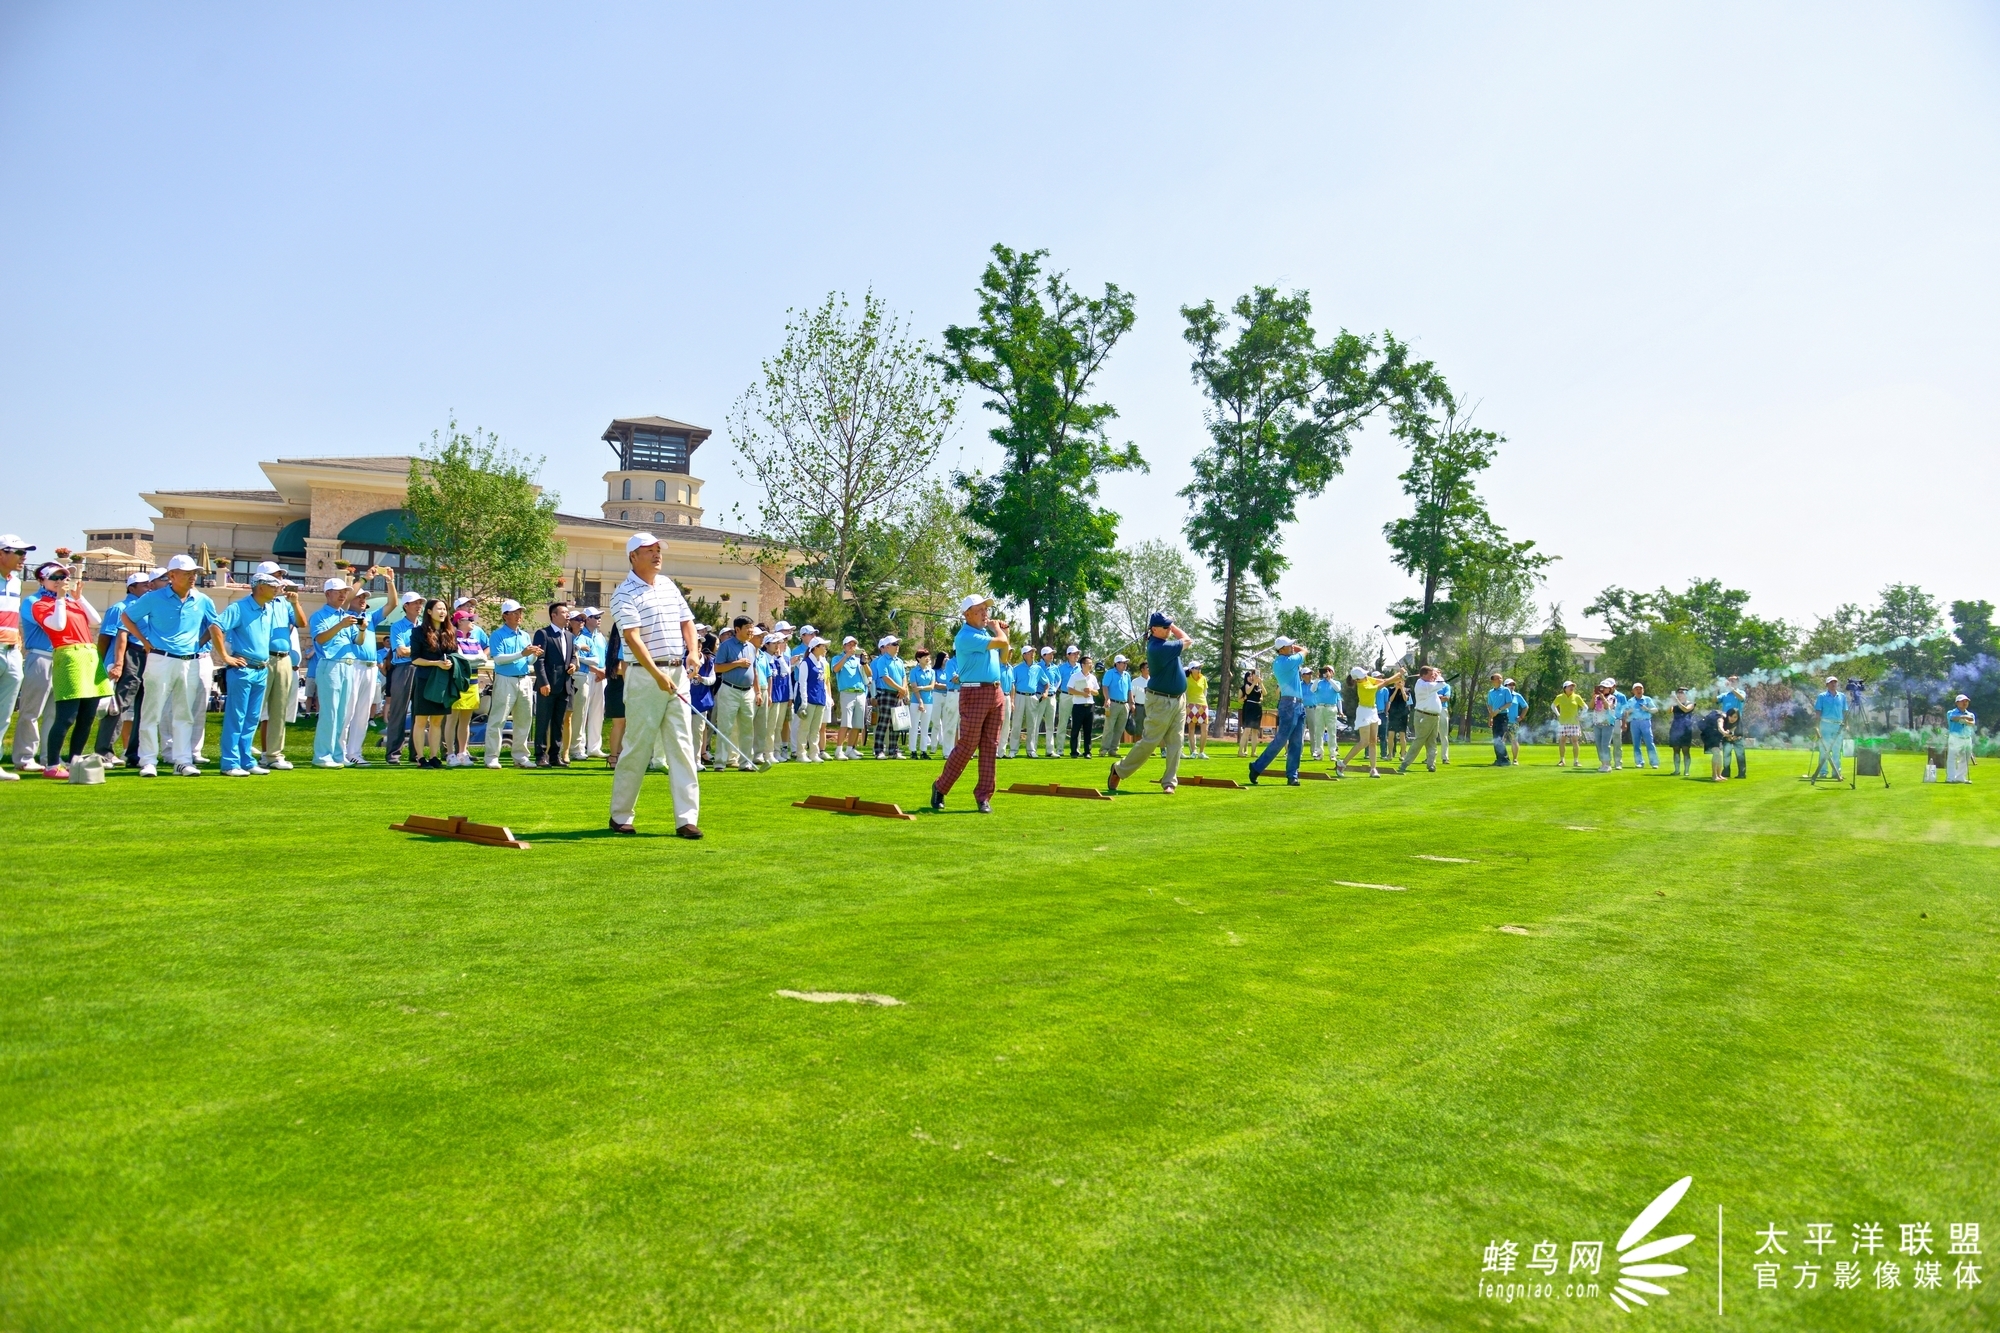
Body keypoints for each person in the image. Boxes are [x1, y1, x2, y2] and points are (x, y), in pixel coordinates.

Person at [608, 532, 703, 838]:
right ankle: (620, 815)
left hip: (677, 674)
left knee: (683, 747)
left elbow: (687, 623)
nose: (657, 554)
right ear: (633, 556)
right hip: (644, 676)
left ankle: (686, 819)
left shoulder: (668, 585)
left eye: (658, 549)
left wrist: (693, 652)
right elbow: (632, 639)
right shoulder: (623, 594)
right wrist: (657, 674)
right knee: (637, 746)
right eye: (648, 550)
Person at [122, 554, 221, 777]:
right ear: (172, 575)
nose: (193, 577)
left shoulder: (203, 600)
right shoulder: (153, 598)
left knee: (184, 713)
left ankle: (182, 761)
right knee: (151, 711)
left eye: (194, 573)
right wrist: (145, 642)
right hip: (160, 658)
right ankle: (148, 760)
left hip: (190, 661)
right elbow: (127, 617)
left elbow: (215, 625)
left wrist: (199, 643)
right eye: (187, 573)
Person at [27, 560, 109, 778]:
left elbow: (95, 620)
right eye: (55, 577)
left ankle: (75, 761)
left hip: (89, 655)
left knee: (87, 715)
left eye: (63, 577)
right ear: (42, 581)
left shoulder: (72, 602)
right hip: (68, 656)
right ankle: (52, 764)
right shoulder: (40, 604)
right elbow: (58, 626)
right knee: (67, 716)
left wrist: (78, 597)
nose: (61, 581)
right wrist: (62, 599)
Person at [929, 594, 1010, 812]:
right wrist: (999, 631)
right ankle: (940, 786)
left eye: (986, 610)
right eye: (980, 610)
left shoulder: (984, 633)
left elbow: (1003, 657)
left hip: (996, 692)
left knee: (990, 747)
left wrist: (1003, 633)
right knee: (967, 745)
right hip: (974, 693)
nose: (986, 614)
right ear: (967, 615)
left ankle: (983, 797)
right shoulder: (965, 636)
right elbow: (1001, 641)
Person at [209, 573, 287, 777]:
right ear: (260, 587)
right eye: (272, 586)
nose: (276, 589)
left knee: (252, 718)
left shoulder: (268, 609)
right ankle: (230, 763)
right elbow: (216, 627)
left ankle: (246, 760)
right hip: (242, 669)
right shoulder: (238, 607)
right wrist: (225, 656)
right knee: (237, 717)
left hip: (262, 669)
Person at [1108, 612, 1192, 794]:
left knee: (1176, 742)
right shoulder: (1157, 648)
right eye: (1165, 626)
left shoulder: (1165, 643)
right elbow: (1188, 640)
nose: (1169, 629)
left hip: (1178, 700)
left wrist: (1169, 625)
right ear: (1154, 629)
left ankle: (1169, 781)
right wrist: (1175, 626)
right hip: (1161, 701)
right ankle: (1119, 769)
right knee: (1150, 742)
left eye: (1169, 625)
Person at [92, 570, 150, 766]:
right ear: (131, 588)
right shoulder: (119, 608)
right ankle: (103, 751)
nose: (148, 587)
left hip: (146, 656)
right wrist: (106, 664)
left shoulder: (147, 606)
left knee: (143, 706)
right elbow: (106, 638)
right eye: (144, 584)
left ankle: (133, 753)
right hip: (126, 657)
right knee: (119, 705)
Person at [484, 599, 540, 767]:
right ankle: (491, 756)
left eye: (519, 612)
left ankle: (521, 756)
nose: (518, 616)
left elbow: (528, 660)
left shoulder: (524, 635)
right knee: (498, 719)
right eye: (515, 613)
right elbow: (499, 659)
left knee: (524, 719)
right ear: (505, 616)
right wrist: (522, 654)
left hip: (524, 679)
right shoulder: (497, 635)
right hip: (505, 680)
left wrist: (535, 654)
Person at [1251, 637, 1312, 784]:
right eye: (1289, 645)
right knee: (1281, 740)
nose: (1292, 647)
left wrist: (1288, 645)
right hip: (1289, 704)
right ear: (1282, 649)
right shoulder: (1285, 662)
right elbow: (1305, 651)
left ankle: (1292, 775)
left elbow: (1299, 651)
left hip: (1298, 704)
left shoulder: (1285, 659)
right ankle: (1257, 767)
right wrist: (1295, 646)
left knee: (1297, 742)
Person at [258, 574, 303, 771]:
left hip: (283, 658)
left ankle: (274, 754)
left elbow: (302, 623)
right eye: (276, 582)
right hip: (262, 659)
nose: (280, 585)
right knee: (255, 709)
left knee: (279, 710)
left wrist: (295, 602)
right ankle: (243, 753)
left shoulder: (285, 604)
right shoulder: (257, 604)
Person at [407, 599, 457, 767]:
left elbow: (454, 655)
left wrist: (450, 662)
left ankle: (434, 756)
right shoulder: (418, 632)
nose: (443, 612)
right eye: (439, 609)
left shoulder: (450, 632)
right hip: (424, 680)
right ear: (429, 611)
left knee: (437, 721)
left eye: (444, 609)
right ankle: (420, 757)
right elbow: (415, 659)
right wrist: (435, 663)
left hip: (442, 681)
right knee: (421, 720)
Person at [531, 601, 576, 767]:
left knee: (559, 722)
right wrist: (543, 682)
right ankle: (540, 756)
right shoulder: (543, 634)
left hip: (565, 685)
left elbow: (571, 656)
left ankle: (554, 756)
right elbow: (539, 660)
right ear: (553, 615)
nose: (567, 615)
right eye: (564, 612)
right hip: (547, 686)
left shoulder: (569, 636)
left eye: (567, 612)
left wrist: (573, 664)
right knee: (543, 721)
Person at [0, 535, 30, 780]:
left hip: (11, 652)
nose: (24, 557)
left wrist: (18, 643)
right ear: (2, 553)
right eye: (18, 552)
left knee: (5, 712)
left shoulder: (16, 582)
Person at [382, 591, 424, 763]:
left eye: (420, 603)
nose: (418, 606)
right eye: (415, 603)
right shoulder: (397, 626)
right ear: (405, 606)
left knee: (419, 714)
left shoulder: (424, 626)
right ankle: (393, 753)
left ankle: (416, 754)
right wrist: (422, 650)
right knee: (399, 711)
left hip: (422, 668)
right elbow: (400, 651)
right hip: (403, 670)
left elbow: (407, 650)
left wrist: (412, 651)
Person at [1341, 665, 1404, 778]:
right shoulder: (1364, 687)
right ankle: (1342, 763)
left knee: (1373, 741)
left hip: (1373, 711)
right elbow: (1384, 684)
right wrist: (1399, 674)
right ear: (1357, 679)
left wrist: (1400, 676)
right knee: (1364, 742)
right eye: (1363, 675)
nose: (1366, 676)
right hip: (1364, 712)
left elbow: (1384, 680)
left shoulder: (1367, 678)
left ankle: (1373, 769)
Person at [444, 609, 488, 767]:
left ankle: (462, 753)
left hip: (473, 684)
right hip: (457, 684)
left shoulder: (475, 639)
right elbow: (461, 660)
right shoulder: (452, 639)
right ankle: (450, 754)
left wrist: (472, 659)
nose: (472, 621)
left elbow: (482, 659)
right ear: (459, 621)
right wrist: (474, 659)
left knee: (465, 721)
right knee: (452, 719)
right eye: (469, 619)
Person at [1396, 662, 1449, 775]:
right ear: (1423, 675)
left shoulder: (1426, 681)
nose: (1432, 676)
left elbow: (1437, 683)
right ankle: (1405, 763)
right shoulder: (1425, 685)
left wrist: (1433, 673)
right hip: (1424, 716)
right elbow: (1442, 684)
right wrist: (1437, 674)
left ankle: (1431, 764)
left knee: (1432, 742)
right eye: (1430, 675)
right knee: (1419, 740)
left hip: (1434, 717)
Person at [870, 635, 911, 759]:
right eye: (894, 644)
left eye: (897, 644)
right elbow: (885, 678)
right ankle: (879, 751)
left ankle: (894, 750)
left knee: (897, 724)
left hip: (898, 695)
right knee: (883, 723)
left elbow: (904, 677)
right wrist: (901, 689)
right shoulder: (882, 660)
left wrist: (903, 690)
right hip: (886, 693)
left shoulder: (899, 661)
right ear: (887, 646)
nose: (897, 647)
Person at [793, 636, 830, 762]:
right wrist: (804, 701)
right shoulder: (806, 662)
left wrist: (826, 698)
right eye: (823, 646)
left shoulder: (821, 663)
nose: (825, 648)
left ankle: (814, 753)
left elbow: (823, 682)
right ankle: (801, 754)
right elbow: (802, 683)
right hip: (809, 699)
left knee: (816, 729)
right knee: (804, 728)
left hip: (820, 699)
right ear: (815, 648)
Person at [832, 635, 869, 761]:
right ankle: (838, 750)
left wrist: (865, 663)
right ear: (844, 646)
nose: (852, 647)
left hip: (860, 693)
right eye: (849, 644)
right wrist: (846, 656)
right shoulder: (838, 658)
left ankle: (850, 749)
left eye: (853, 644)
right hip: (847, 693)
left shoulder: (859, 660)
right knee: (846, 723)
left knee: (857, 724)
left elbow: (869, 674)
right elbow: (836, 669)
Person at [1809, 675, 1846, 781]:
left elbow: (1845, 711)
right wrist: (1816, 725)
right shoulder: (1822, 696)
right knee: (1823, 749)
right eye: (1831, 682)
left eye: (1835, 682)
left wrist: (1847, 724)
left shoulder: (1842, 696)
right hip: (1825, 724)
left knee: (1837, 750)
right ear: (1827, 684)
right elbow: (1818, 711)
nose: (1833, 684)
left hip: (1838, 725)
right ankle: (1823, 772)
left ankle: (1836, 772)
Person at [1010, 647, 1044, 758]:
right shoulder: (1016, 668)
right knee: (1016, 724)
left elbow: (1046, 682)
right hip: (1019, 696)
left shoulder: (1038, 668)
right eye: (1030, 652)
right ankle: (1013, 750)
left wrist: (1045, 692)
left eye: (1033, 652)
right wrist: (1012, 699)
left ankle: (1031, 750)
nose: (1033, 654)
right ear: (1024, 655)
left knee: (1032, 725)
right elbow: (1012, 685)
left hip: (1032, 697)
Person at [1066, 654, 1100, 757]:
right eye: (1089, 663)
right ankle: (1074, 752)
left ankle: (1087, 752)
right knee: (1075, 730)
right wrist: (1081, 693)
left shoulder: (1093, 677)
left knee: (1088, 730)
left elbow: (1096, 692)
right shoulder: (1075, 676)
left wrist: (1091, 690)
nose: (1091, 665)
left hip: (1089, 706)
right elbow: (1070, 690)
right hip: (1078, 706)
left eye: (1091, 663)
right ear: (1083, 665)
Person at [1101, 654, 1131, 759]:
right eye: (1123, 663)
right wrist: (1107, 699)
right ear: (1117, 663)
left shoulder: (1127, 675)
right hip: (1112, 703)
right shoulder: (1110, 673)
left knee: (1119, 729)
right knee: (1109, 727)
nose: (1125, 664)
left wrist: (1131, 703)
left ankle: (1113, 750)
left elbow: (1129, 690)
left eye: (1125, 663)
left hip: (1124, 704)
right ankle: (1104, 749)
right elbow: (1105, 686)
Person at [1551, 680, 1587, 767]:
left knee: (1575, 741)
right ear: (1565, 688)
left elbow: (1585, 707)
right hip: (1563, 722)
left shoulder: (1577, 697)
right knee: (1562, 741)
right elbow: (1553, 706)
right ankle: (1562, 760)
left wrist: (1581, 716)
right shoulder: (1560, 697)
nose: (1572, 688)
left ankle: (1576, 761)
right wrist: (1558, 714)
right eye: (1570, 686)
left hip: (1574, 723)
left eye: (1573, 686)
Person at [906, 647, 934, 758]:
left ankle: (923, 750)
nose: (927, 658)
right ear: (918, 658)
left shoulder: (931, 671)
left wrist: (921, 687)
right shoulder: (914, 671)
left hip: (929, 701)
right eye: (924, 656)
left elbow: (931, 686)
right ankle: (913, 750)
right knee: (913, 726)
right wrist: (920, 702)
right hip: (915, 702)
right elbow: (914, 688)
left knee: (925, 727)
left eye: (928, 656)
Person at [1700, 706, 1739, 782]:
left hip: (1717, 736)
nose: (1732, 718)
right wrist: (1724, 733)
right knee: (1717, 753)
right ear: (1728, 715)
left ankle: (1719, 775)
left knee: (1719, 755)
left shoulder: (1733, 724)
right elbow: (1720, 727)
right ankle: (1714, 776)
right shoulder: (1721, 718)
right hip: (1709, 734)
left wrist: (1730, 737)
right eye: (1731, 716)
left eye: (1735, 717)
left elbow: (1728, 734)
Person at [1627, 682, 1660, 769]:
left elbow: (1655, 710)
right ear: (1633, 691)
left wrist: (1647, 709)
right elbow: (1625, 712)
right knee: (1636, 743)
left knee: (1649, 742)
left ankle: (1654, 762)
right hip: (1634, 722)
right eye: (1636, 689)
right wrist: (1629, 711)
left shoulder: (1647, 699)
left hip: (1645, 722)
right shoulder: (1630, 701)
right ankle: (1639, 762)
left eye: (1640, 689)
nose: (1638, 690)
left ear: (1643, 690)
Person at [1945, 694, 1976, 783]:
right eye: (1962, 701)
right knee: (1952, 758)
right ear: (1957, 703)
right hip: (1955, 737)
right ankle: (1950, 778)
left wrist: (1965, 721)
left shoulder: (1970, 714)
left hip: (1966, 738)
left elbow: (1972, 722)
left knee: (1965, 759)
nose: (1965, 703)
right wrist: (1964, 717)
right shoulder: (1951, 712)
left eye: (1966, 701)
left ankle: (1960, 777)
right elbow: (1954, 718)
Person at [1668, 688, 1699, 776]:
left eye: (1682, 692)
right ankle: (1677, 770)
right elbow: (1668, 711)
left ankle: (1686, 771)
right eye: (1679, 692)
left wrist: (1676, 700)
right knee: (1676, 750)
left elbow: (1685, 709)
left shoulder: (1691, 703)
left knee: (1686, 750)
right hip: (1675, 728)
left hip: (1686, 728)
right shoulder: (1675, 703)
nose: (1680, 694)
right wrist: (1671, 702)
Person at [1485, 671, 1514, 766]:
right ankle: (1499, 759)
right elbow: (1489, 705)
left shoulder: (1506, 690)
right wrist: (1490, 717)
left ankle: (1505, 759)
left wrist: (1499, 709)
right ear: (1493, 681)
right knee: (1495, 738)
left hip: (1503, 716)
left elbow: (1509, 703)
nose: (1500, 680)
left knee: (1499, 738)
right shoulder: (1491, 692)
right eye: (1498, 678)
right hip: (1495, 716)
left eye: (1501, 678)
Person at [1590, 681, 1619, 772]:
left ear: (1609, 689)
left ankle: (1608, 764)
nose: (1603, 689)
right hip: (1597, 723)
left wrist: (1602, 698)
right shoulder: (1597, 697)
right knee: (1598, 745)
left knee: (1605, 744)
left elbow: (1608, 707)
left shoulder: (1612, 697)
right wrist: (1593, 697)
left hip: (1608, 723)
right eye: (1601, 687)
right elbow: (1591, 706)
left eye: (1605, 687)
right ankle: (1603, 763)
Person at [1235, 669, 1264, 757]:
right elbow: (1247, 692)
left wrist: (1261, 683)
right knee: (1247, 730)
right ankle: (1240, 751)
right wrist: (1254, 683)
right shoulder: (1247, 685)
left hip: (1257, 708)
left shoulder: (1258, 686)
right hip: (1249, 708)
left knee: (1255, 731)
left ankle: (1253, 752)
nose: (1252, 677)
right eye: (1250, 675)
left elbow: (1264, 694)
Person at [1182, 661, 1207, 758]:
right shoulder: (1186, 679)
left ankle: (1201, 752)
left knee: (1204, 729)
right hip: (1191, 704)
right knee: (1191, 729)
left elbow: (1205, 692)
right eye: (1197, 668)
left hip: (1203, 704)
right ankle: (1193, 751)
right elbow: (1184, 693)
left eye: (1200, 668)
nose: (1199, 669)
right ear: (1191, 670)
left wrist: (1203, 703)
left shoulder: (1203, 678)